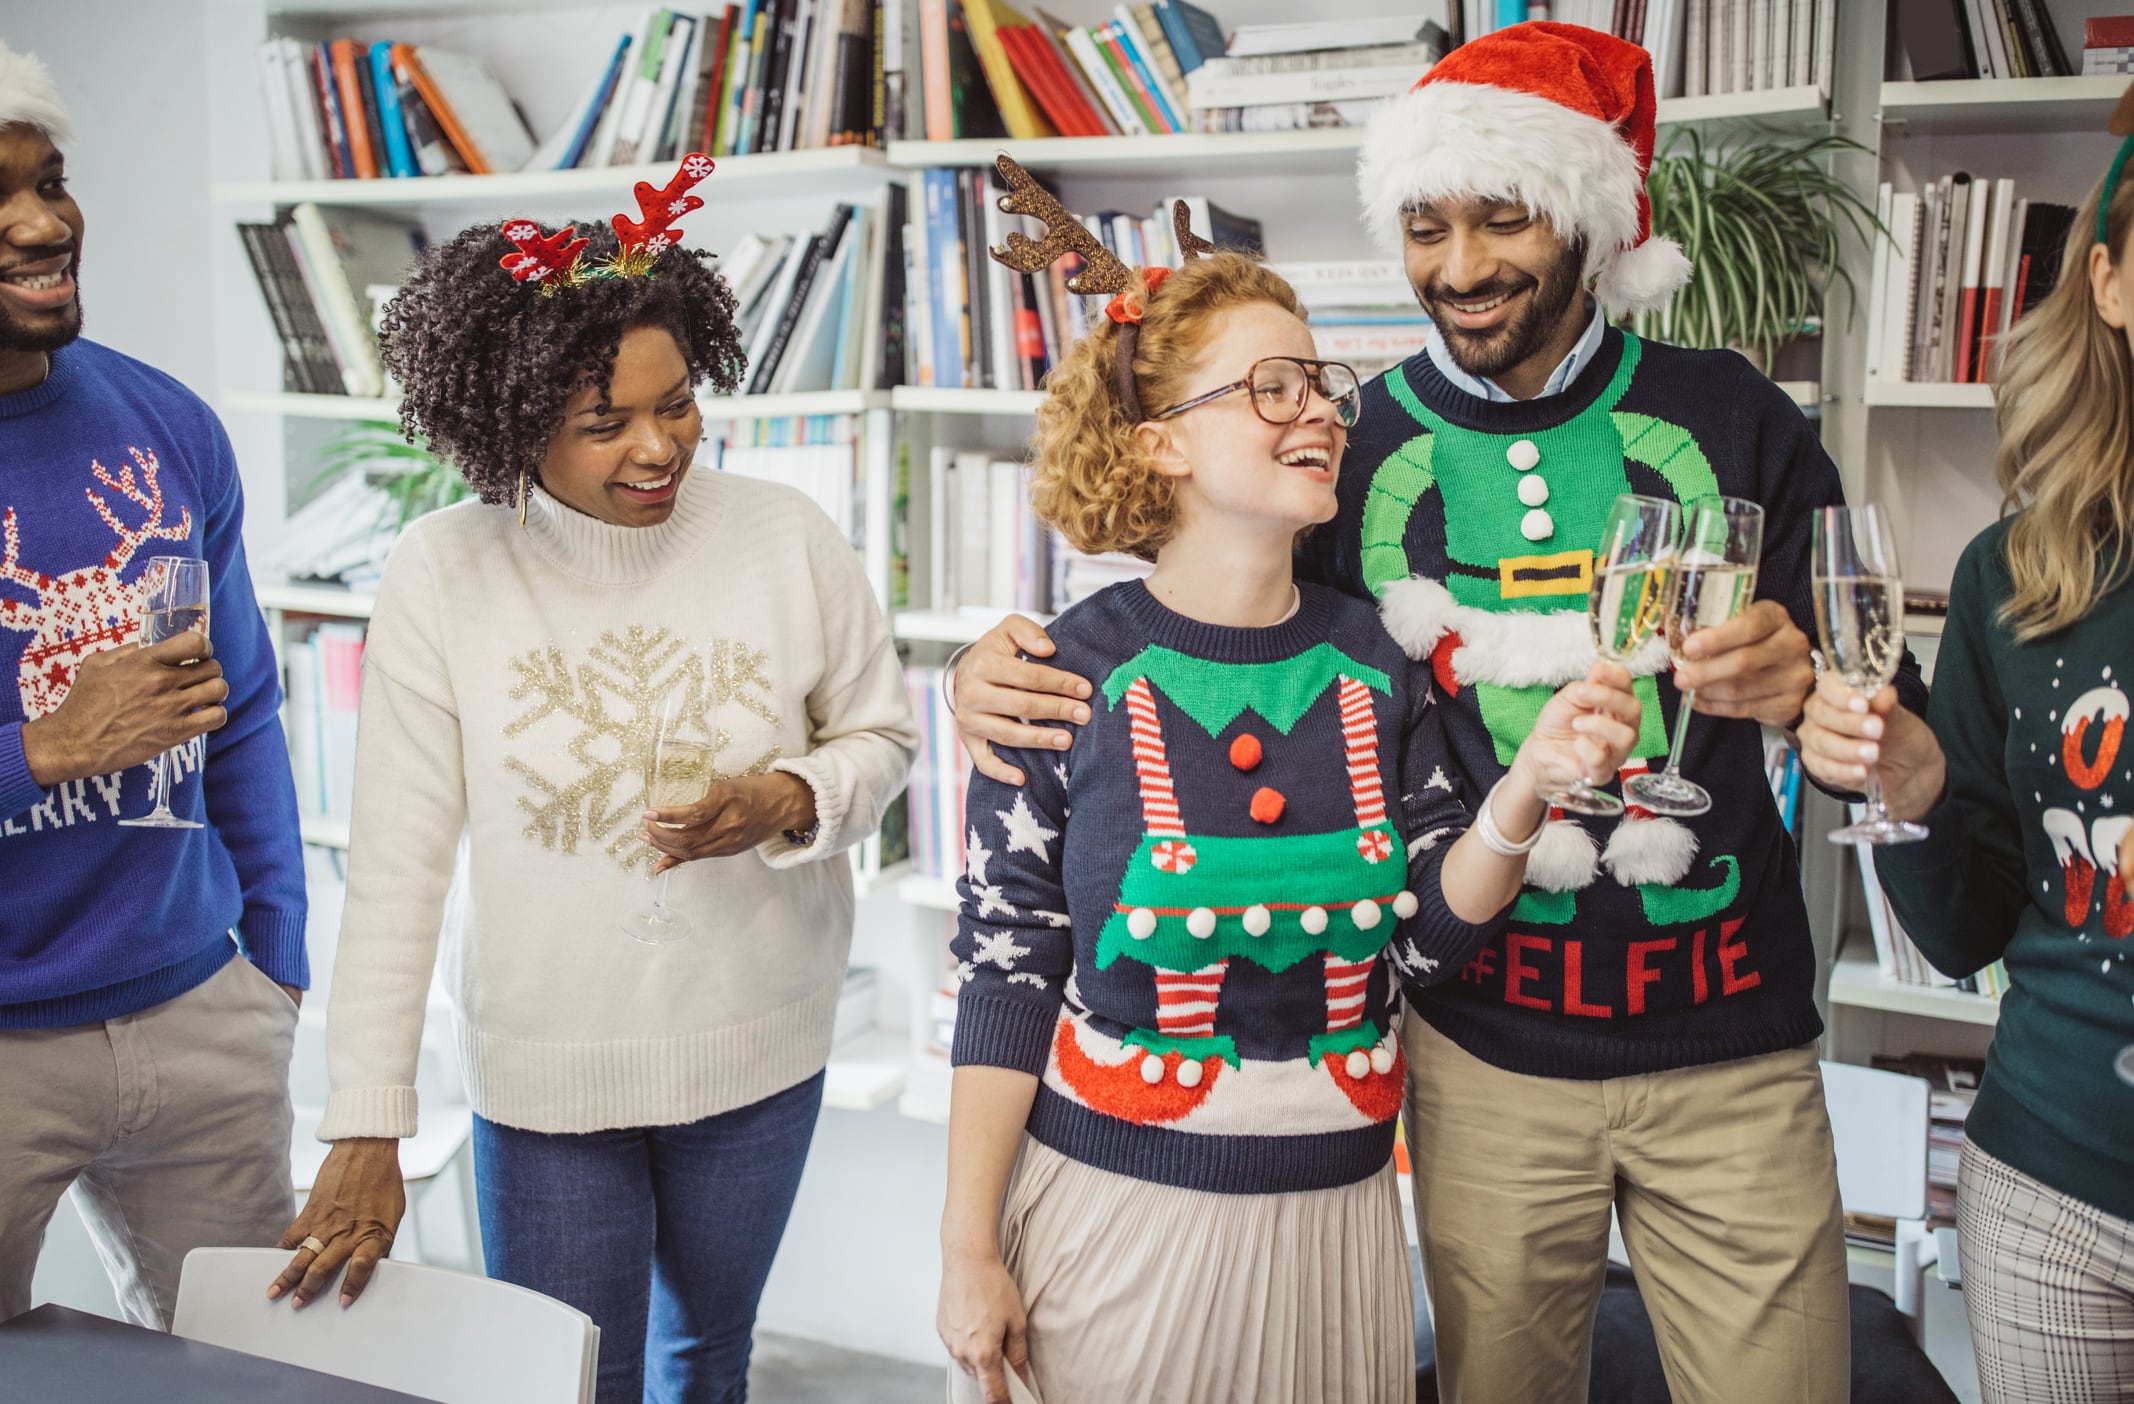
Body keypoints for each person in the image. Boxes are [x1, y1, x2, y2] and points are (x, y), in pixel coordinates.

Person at [948, 25, 1923, 1404]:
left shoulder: (1730, 413)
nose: (1459, 268)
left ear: (1584, 216)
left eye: (1502, 217)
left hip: (1732, 1049)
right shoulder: (1358, 447)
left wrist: (1808, 690)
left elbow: (1875, 704)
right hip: (1477, 1056)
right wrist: (986, 664)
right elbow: (1213, 609)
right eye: (1423, 225)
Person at [936, 218, 1644, 1402]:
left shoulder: (1380, 659)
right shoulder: (1058, 676)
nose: (1317, 410)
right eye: (1270, 387)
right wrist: (966, 1250)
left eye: (1319, 383)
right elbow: (1006, 967)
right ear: (1161, 444)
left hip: (1340, 1228)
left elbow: (1424, 941)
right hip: (1115, 1226)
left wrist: (1524, 793)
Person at [268, 163, 919, 1404]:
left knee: (705, 1359)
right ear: (514, 423)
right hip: (547, 1072)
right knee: (571, 1380)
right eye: (604, 422)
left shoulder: (784, 535)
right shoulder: (443, 570)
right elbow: (397, 863)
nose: (657, 445)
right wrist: (368, 1120)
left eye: (676, 406)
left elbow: (880, 740)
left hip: (758, 1049)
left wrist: (784, 798)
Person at [1797, 103, 2134, 1403]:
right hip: (2049, 1190)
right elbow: (1966, 931)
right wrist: (1919, 788)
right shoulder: (2019, 574)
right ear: (2104, 280)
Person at [0, 42, 308, 1328]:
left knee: (252, 1373)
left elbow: (240, 710)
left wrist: (277, 959)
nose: (42, 223)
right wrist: (41, 751)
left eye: (50, 180)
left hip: (201, 1014)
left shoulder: (166, 421)